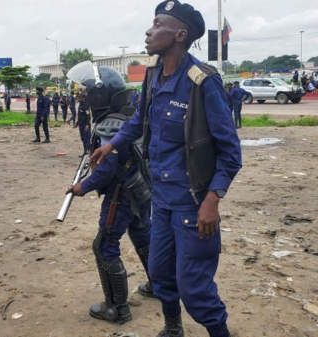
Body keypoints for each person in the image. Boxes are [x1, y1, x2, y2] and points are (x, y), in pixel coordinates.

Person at [89, 2, 242, 336]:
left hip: (193, 204)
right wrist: (110, 145)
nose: (148, 30)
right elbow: (137, 121)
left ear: (179, 34)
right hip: (161, 203)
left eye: (157, 24)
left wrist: (212, 201)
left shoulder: (203, 82)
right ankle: (173, 329)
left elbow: (231, 152)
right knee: (160, 275)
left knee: (196, 291)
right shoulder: (153, 74)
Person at [66, 62, 154, 324]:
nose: (82, 96)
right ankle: (159, 286)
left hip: (121, 193)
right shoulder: (128, 116)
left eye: (86, 92)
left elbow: (107, 171)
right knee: (142, 234)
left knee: (104, 245)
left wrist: (82, 186)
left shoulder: (110, 126)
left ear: (99, 94)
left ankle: (117, 308)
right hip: (140, 190)